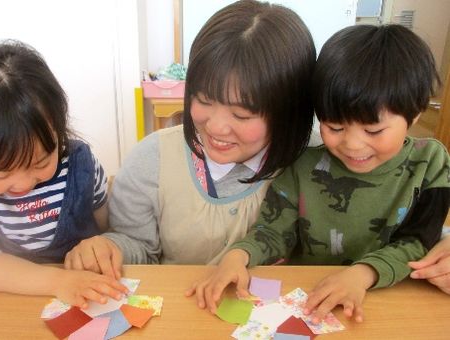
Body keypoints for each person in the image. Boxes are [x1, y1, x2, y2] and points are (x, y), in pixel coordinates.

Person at [188, 24, 450, 324]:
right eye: (335, 127)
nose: (352, 145)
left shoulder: (431, 162)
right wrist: (237, 257)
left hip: (390, 300)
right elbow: (274, 231)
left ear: (415, 113)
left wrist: (362, 275)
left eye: (373, 130)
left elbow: (419, 240)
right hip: (308, 300)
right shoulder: (304, 165)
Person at [64, 0, 316, 275]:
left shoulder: (319, 161)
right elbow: (138, 246)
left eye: (241, 115)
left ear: (289, 111)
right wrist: (108, 249)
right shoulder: (153, 158)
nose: (217, 127)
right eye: (204, 99)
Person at [0, 41, 127, 308]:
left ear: (58, 130)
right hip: (10, 300)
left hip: (87, 294)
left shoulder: (78, 162)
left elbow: (106, 222)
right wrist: (59, 282)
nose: (24, 182)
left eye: (41, 162)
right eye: (1, 174)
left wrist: (104, 243)